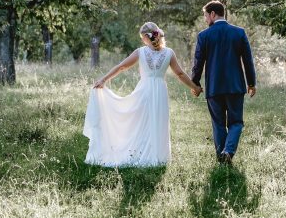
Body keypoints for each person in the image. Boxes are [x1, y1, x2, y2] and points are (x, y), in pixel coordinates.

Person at [82, 22, 202, 167]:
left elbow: (122, 66)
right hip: (160, 91)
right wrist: (194, 87)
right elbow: (180, 74)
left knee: (141, 122)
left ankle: (140, 153)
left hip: (144, 90)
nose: (142, 40)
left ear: (146, 37)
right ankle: (157, 157)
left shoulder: (141, 52)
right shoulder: (169, 53)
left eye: (142, 37)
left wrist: (104, 79)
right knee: (158, 122)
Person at [191, 0, 256, 165]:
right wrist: (251, 83)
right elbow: (248, 61)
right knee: (236, 122)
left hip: (214, 87)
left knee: (218, 124)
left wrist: (195, 84)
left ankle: (222, 159)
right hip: (235, 86)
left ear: (213, 14)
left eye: (206, 16)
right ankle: (228, 151)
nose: (206, 20)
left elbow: (198, 63)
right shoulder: (239, 33)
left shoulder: (204, 36)